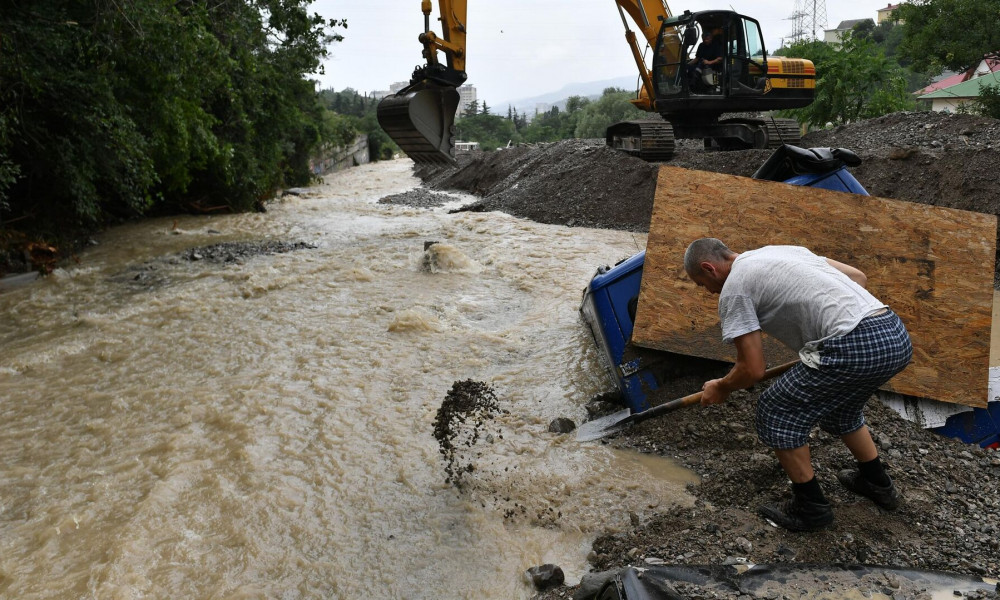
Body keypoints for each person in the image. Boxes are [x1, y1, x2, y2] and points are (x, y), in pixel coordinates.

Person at [683, 238, 912, 532]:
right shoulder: (779, 251)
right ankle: (878, 483)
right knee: (842, 407)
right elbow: (858, 277)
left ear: (708, 268)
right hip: (892, 332)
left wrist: (722, 386)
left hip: (856, 344)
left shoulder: (734, 289)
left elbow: (752, 369)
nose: (708, 292)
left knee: (775, 408)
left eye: (702, 284)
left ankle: (811, 509)